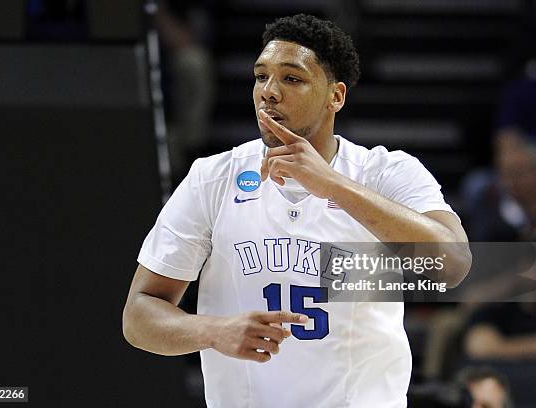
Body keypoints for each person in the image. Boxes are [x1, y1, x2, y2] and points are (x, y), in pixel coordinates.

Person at [123, 14, 471, 407]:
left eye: (291, 78)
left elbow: (452, 264)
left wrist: (332, 184)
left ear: (335, 96)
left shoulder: (385, 172)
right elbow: (138, 316)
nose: (268, 92)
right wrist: (212, 330)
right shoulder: (213, 178)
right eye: (260, 76)